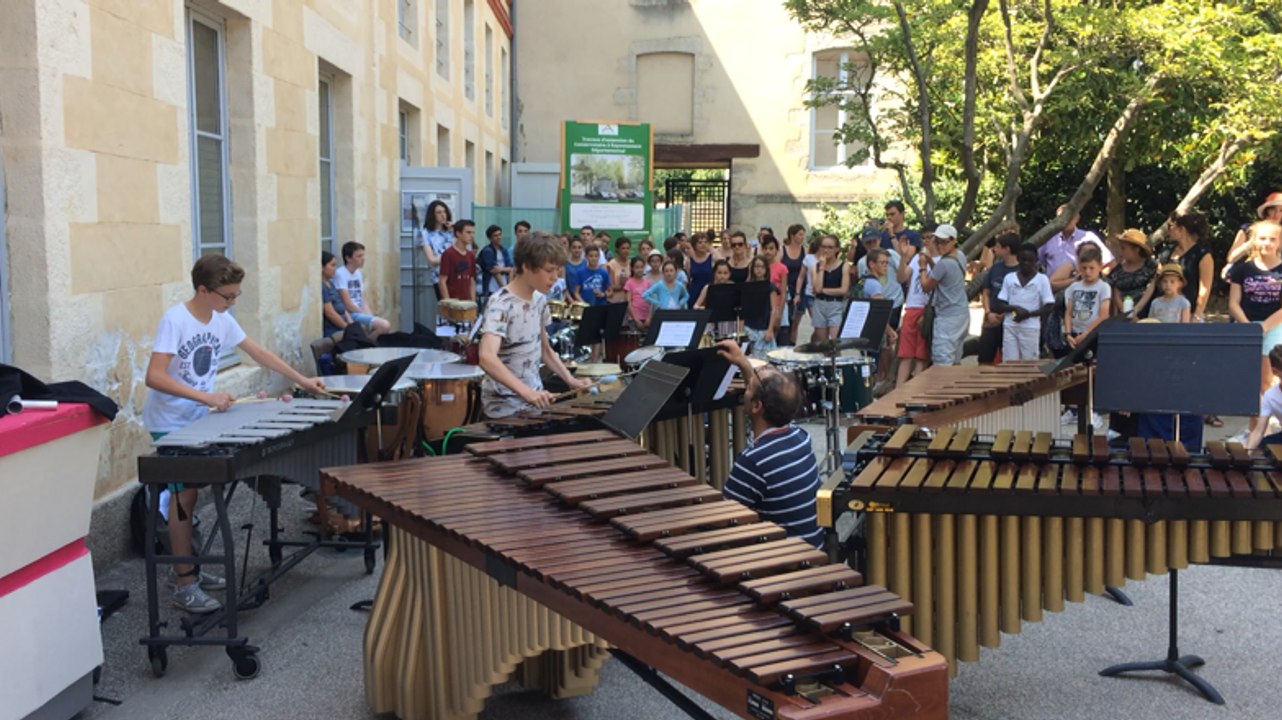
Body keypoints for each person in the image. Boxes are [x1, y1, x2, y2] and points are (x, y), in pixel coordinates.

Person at [144, 255, 326, 613]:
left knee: (194, 495)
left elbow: (257, 352)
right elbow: (155, 376)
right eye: (227, 296)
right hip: (171, 421)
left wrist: (302, 380)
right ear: (202, 289)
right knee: (184, 499)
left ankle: (188, 568)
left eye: (236, 295)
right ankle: (183, 582)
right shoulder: (175, 320)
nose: (232, 302)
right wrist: (206, 396)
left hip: (200, 417)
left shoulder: (221, 318)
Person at [715, 339, 823, 548]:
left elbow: (724, 524)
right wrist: (743, 363)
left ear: (757, 406)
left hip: (784, 566)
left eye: (748, 389)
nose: (744, 389)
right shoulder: (800, 437)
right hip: (813, 552)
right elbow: (761, 395)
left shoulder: (753, 462)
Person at [478, 232, 589, 417]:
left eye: (557, 270)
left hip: (535, 401)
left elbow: (544, 349)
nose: (555, 277)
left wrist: (571, 380)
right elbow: (487, 357)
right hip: (504, 406)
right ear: (527, 266)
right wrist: (526, 392)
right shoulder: (501, 304)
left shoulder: (539, 300)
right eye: (549, 270)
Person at [1227, 220, 1282, 396]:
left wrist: (1264, 327)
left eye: (1272, 239)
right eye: (1263, 238)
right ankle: (1255, 424)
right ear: (1254, 241)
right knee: (1247, 381)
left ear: (1279, 241)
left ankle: (1264, 423)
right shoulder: (1242, 270)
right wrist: (1249, 327)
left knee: (1266, 380)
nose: (1267, 243)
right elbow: (1233, 303)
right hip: (1246, 325)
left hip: (1273, 326)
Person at [991, 244, 1055, 361]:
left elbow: (1049, 306)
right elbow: (999, 303)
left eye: (1030, 260)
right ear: (1018, 259)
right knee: (1009, 361)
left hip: (1030, 328)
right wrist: (1014, 308)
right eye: (1023, 259)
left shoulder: (1042, 279)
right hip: (1010, 326)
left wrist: (1029, 314)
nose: (1026, 263)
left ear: (1036, 261)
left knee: (1029, 361)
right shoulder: (1009, 278)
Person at [919, 224, 969, 365]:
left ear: (954, 241)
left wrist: (923, 267)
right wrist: (930, 260)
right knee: (956, 358)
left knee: (942, 360)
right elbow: (942, 275)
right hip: (961, 313)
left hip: (947, 317)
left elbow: (926, 286)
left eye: (944, 242)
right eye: (938, 241)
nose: (940, 245)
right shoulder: (960, 256)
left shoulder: (944, 264)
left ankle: (943, 386)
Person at [1040, 205, 1113, 284]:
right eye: (1062, 218)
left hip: (1084, 289)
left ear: (1077, 218)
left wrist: (1094, 281)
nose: (1065, 221)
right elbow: (1034, 263)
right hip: (1053, 291)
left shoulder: (1088, 237)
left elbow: (1109, 263)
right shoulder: (1048, 239)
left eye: (1069, 217)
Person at [1164, 210, 1214, 322]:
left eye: (1170, 226)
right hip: (1165, 311)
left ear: (1182, 229)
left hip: (1189, 313)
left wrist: (1197, 315)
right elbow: (1156, 282)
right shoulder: (1166, 252)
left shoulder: (1202, 254)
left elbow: (1204, 289)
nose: (1168, 230)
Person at [895, 232, 932, 386]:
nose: (926, 240)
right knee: (905, 355)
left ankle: (916, 393)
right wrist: (903, 257)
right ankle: (897, 394)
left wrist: (929, 312)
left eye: (930, 237)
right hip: (911, 307)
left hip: (926, 309)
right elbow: (901, 278)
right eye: (924, 237)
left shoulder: (940, 260)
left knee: (921, 357)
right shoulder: (917, 258)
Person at [333, 241, 390, 339]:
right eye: (359, 256)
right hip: (351, 313)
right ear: (348, 258)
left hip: (359, 310)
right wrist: (364, 314)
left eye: (363, 255)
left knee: (378, 325)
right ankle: (367, 345)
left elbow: (362, 298)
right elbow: (347, 303)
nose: (363, 259)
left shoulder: (358, 273)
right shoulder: (340, 273)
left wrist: (370, 316)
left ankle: (367, 343)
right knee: (385, 325)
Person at [978, 233, 1021, 363]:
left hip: (1011, 321)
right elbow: (986, 292)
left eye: (997, 246)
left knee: (1010, 359)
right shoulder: (995, 268)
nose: (994, 250)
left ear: (1007, 249)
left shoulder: (1021, 271)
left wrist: (1003, 316)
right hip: (990, 320)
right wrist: (988, 312)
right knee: (984, 359)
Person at [1063, 243, 1111, 349]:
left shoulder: (1103, 287)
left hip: (1094, 333)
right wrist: (1068, 333)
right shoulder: (1074, 287)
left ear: (1100, 266)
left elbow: (1104, 315)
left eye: (1091, 268)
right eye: (1084, 268)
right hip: (1075, 333)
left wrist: (1087, 333)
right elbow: (1068, 312)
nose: (1087, 271)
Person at [1109, 228, 1156, 317]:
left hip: (1146, 316)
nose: (1120, 252)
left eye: (1123, 248)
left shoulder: (1151, 266)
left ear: (1136, 249)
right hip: (1122, 317)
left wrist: (1136, 310)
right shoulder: (1117, 271)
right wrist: (1124, 311)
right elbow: (1115, 292)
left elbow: (1150, 288)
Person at [1246, 346, 1282, 450]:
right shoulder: (1271, 396)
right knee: (1265, 444)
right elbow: (1258, 431)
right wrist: (1247, 454)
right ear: (1275, 372)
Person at [744, 256, 781, 358]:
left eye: (762, 267)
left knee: (765, 359)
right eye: (756, 267)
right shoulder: (748, 286)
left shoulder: (770, 287)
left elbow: (773, 310)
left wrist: (770, 329)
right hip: (749, 326)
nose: (759, 269)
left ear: (766, 269)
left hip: (764, 327)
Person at [419, 200, 454, 296]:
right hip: (439, 276)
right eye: (439, 212)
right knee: (446, 307)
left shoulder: (451, 231)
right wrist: (452, 258)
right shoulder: (426, 233)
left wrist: (455, 231)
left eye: (444, 211)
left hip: (456, 275)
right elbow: (432, 259)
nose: (443, 215)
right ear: (432, 215)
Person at [781, 224, 808, 345]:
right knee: (786, 320)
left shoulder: (805, 251)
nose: (802, 237)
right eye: (800, 234)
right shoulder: (783, 250)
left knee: (796, 322)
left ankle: (792, 345)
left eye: (803, 234)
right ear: (792, 235)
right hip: (786, 288)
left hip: (800, 289)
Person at [439, 220, 477, 302]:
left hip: (467, 303)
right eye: (468, 232)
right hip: (453, 302)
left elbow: (471, 281)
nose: (472, 236)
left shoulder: (470, 255)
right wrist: (448, 302)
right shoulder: (448, 254)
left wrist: (473, 302)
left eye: (473, 233)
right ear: (458, 233)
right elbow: (442, 281)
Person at [476, 224, 513, 307]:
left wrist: (501, 269)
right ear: (490, 238)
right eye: (495, 235)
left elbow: (511, 269)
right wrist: (504, 289)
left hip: (504, 286)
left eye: (500, 234)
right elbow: (494, 271)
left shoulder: (503, 250)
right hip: (491, 289)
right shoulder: (488, 251)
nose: (498, 237)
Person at [321, 251, 353, 340]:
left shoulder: (331, 283)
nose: (335, 269)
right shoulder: (323, 287)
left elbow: (342, 306)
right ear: (322, 267)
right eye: (332, 265)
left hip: (344, 325)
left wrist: (351, 324)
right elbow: (330, 313)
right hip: (333, 330)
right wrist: (347, 328)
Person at [686, 232, 716, 309]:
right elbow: (688, 279)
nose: (703, 245)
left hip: (709, 292)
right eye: (700, 242)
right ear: (694, 245)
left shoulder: (713, 258)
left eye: (705, 242)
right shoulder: (689, 261)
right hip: (694, 292)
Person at [623, 257, 652, 331]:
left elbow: (651, 302)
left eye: (641, 267)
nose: (639, 270)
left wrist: (649, 317)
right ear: (632, 268)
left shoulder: (647, 283)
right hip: (634, 318)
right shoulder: (629, 283)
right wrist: (636, 320)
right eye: (637, 267)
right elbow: (628, 302)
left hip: (646, 318)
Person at [564, 237, 588, 303]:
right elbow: (564, 284)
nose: (577, 250)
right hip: (569, 298)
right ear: (570, 249)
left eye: (579, 247)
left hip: (584, 299)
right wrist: (571, 300)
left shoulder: (586, 263)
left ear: (583, 249)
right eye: (574, 247)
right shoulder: (565, 264)